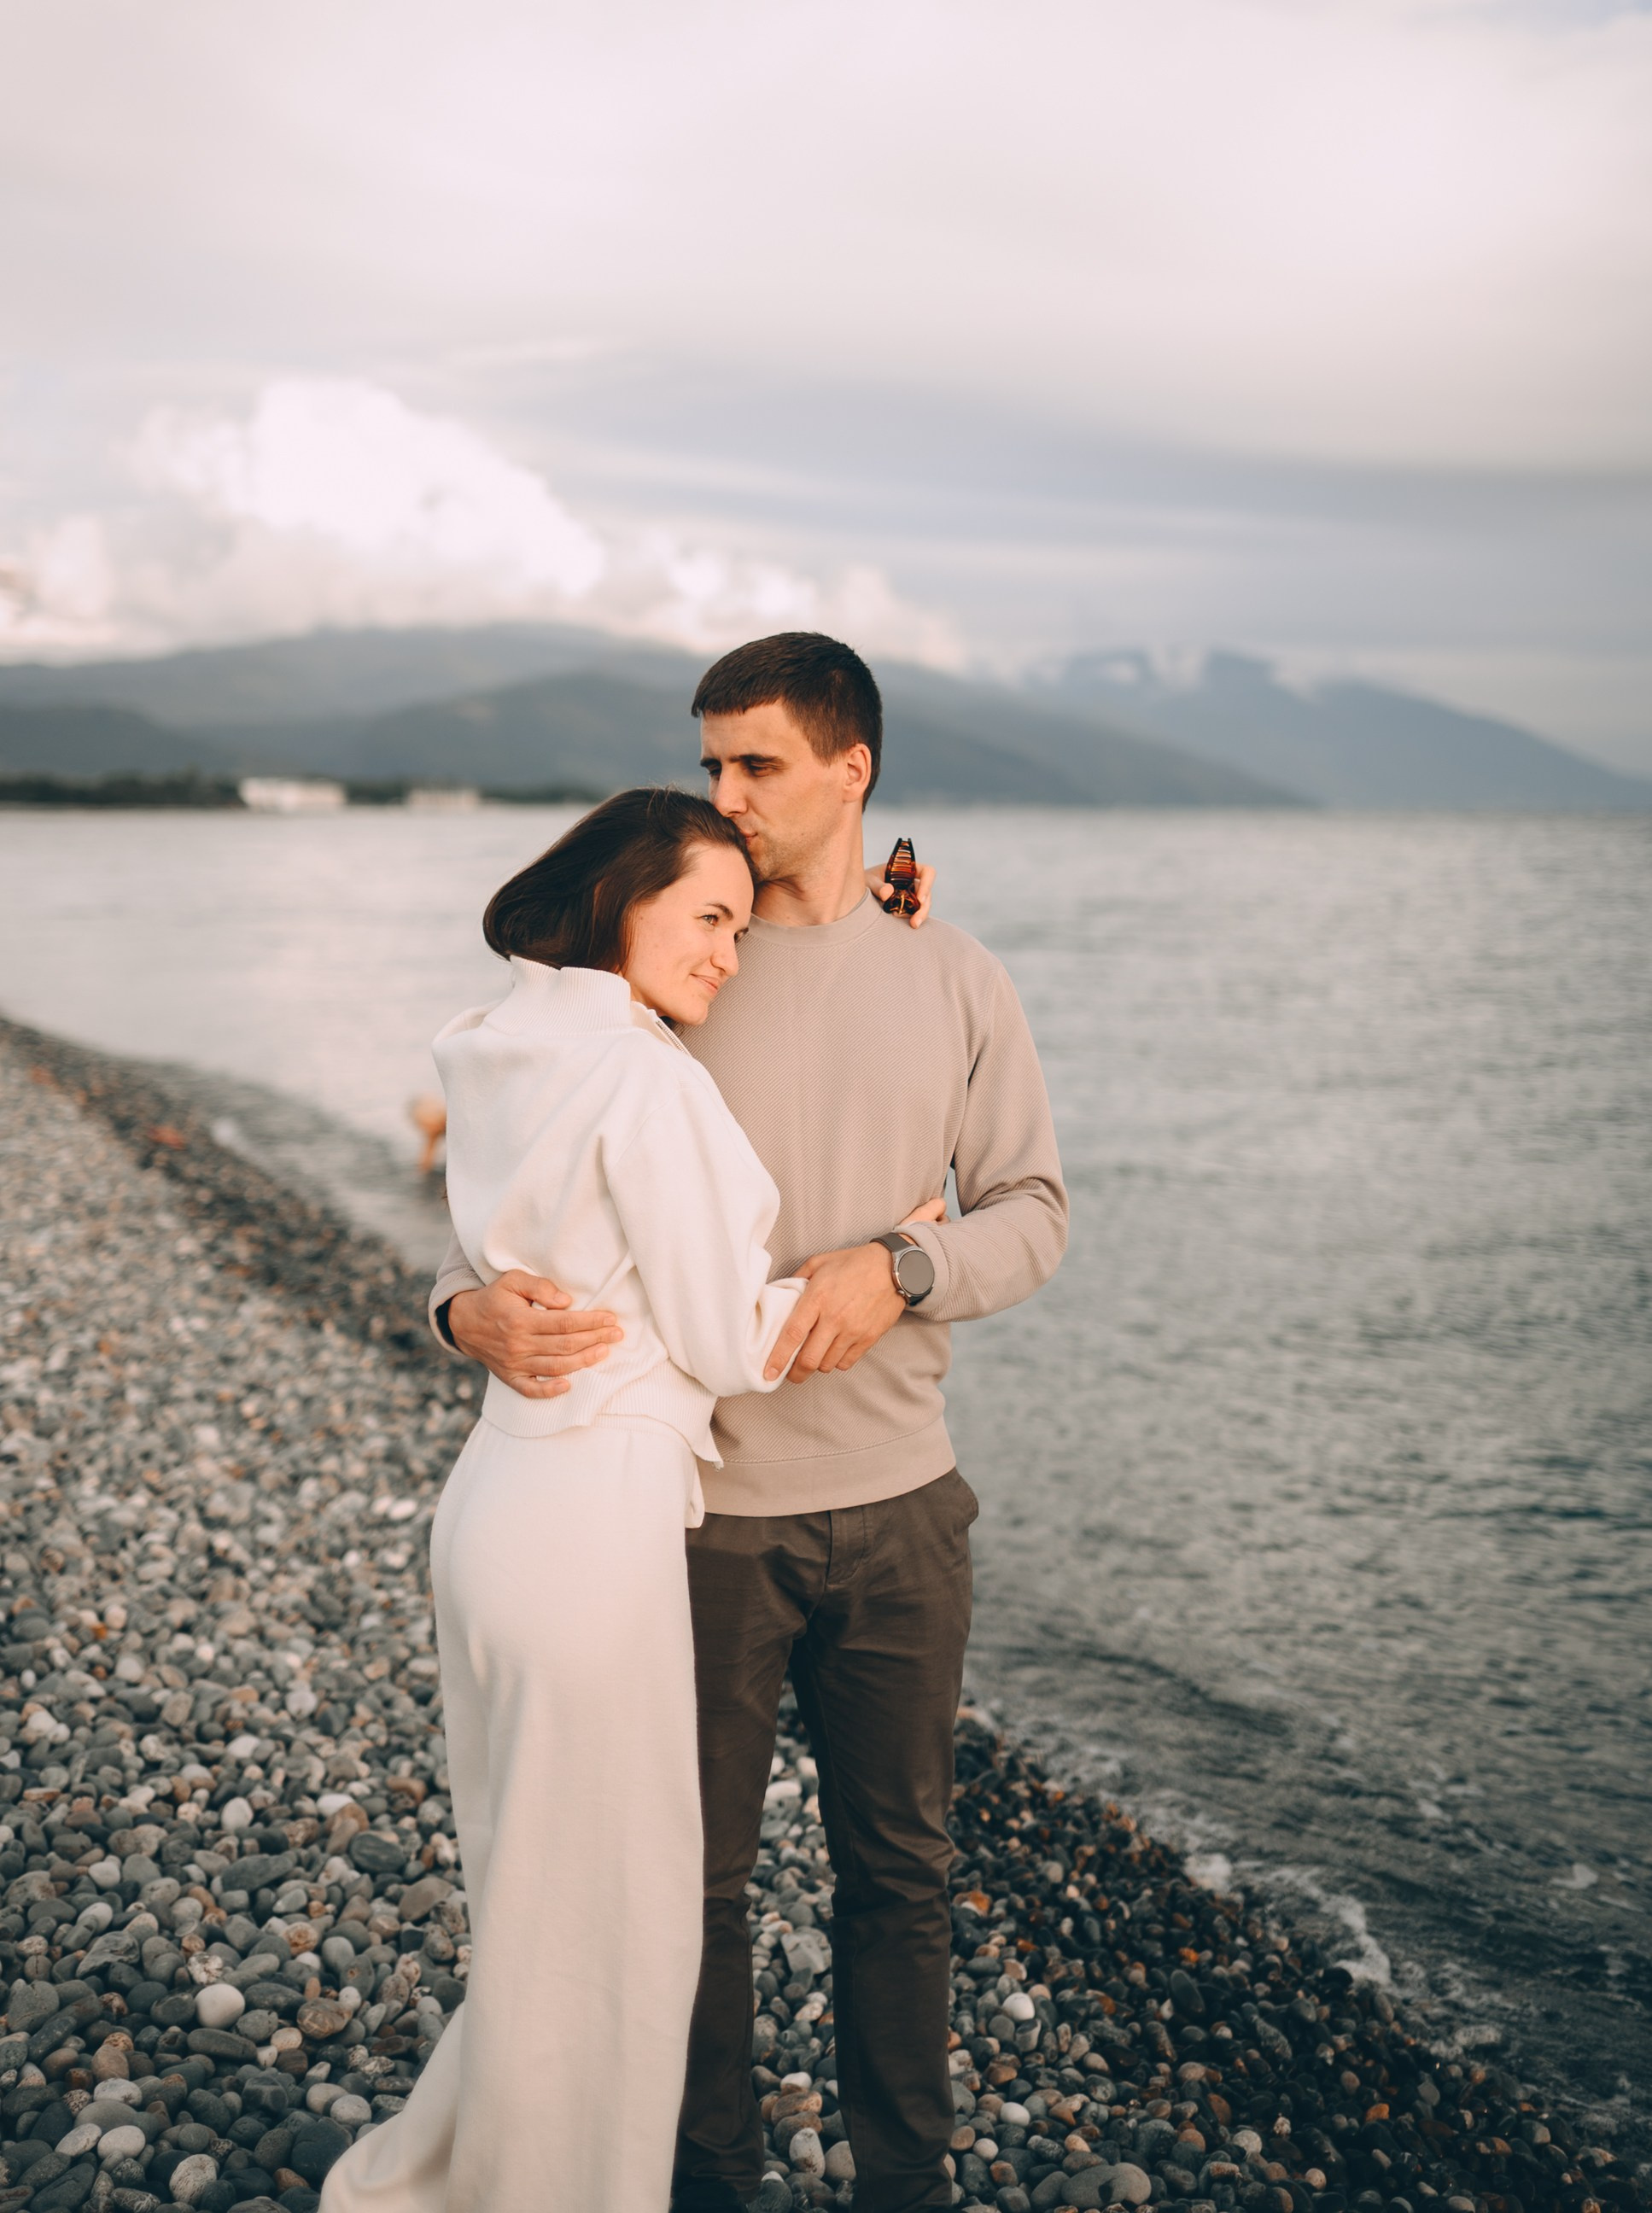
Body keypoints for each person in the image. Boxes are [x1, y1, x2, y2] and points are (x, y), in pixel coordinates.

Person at [433, 633, 1069, 2213]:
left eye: (758, 765)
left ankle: (902, 2189)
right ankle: (702, 2185)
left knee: (902, 1883)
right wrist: (456, 1311)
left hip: (907, 1504)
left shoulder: (954, 971)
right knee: (690, 1892)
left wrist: (907, 1260)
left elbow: (1038, 1214)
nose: (725, 794)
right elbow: (507, 1193)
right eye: (711, 763)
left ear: (853, 770)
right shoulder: (666, 954)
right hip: (695, 1519)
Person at [324, 789, 938, 2213]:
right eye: (707, 918)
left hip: (493, 1508)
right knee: (621, 1925)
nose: (729, 952)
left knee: (536, 1909)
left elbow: (528, 1253)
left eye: (740, 919)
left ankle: (462, 2179)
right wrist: (894, 1254)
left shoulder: (499, 1040)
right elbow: (732, 1343)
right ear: (621, 902)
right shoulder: (653, 1080)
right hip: (593, 1526)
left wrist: (461, 1305)